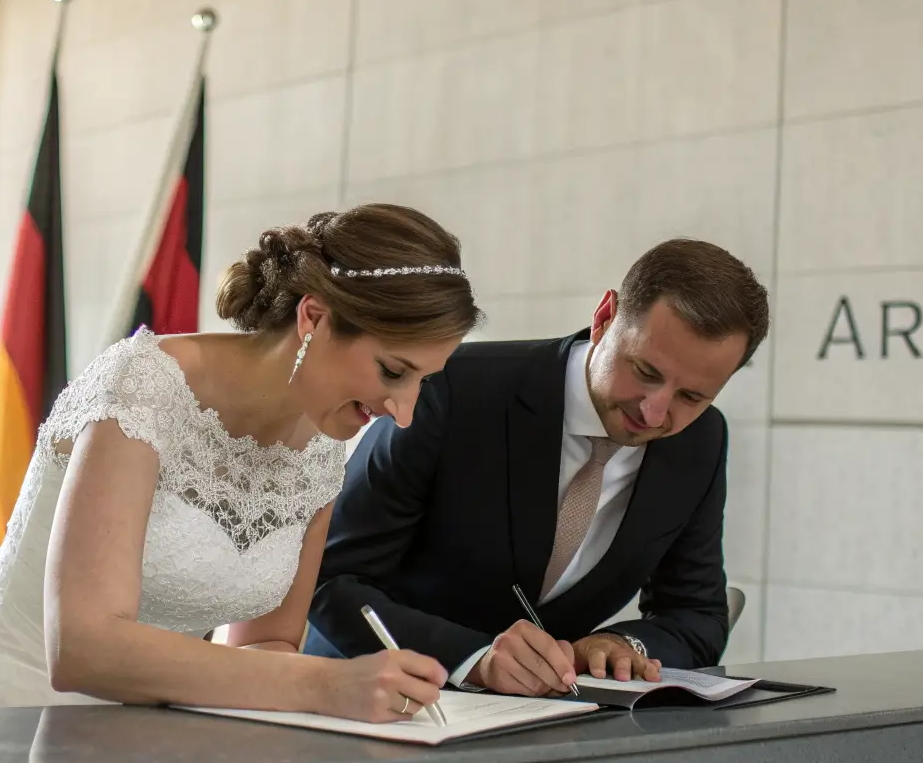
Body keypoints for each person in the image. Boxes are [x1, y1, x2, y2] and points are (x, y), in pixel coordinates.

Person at [0, 204, 479, 722]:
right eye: (393, 371)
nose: (404, 412)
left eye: (423, 382)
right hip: (13, 715)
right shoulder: (143, 386)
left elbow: (266, 645)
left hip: (163, 736)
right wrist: (324, 684)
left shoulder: (322, 449)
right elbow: (82, 649)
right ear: (314, 317)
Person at [307, 239, 767, 695]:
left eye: (692, 396)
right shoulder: (454, 388)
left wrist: (623, 644)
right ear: (604, 318)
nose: (654, 412)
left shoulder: (701, 441)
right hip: (372, 701)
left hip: (547, 723)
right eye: (645, 372)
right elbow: (331, 578)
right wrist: (475, 659)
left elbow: (697, 614)